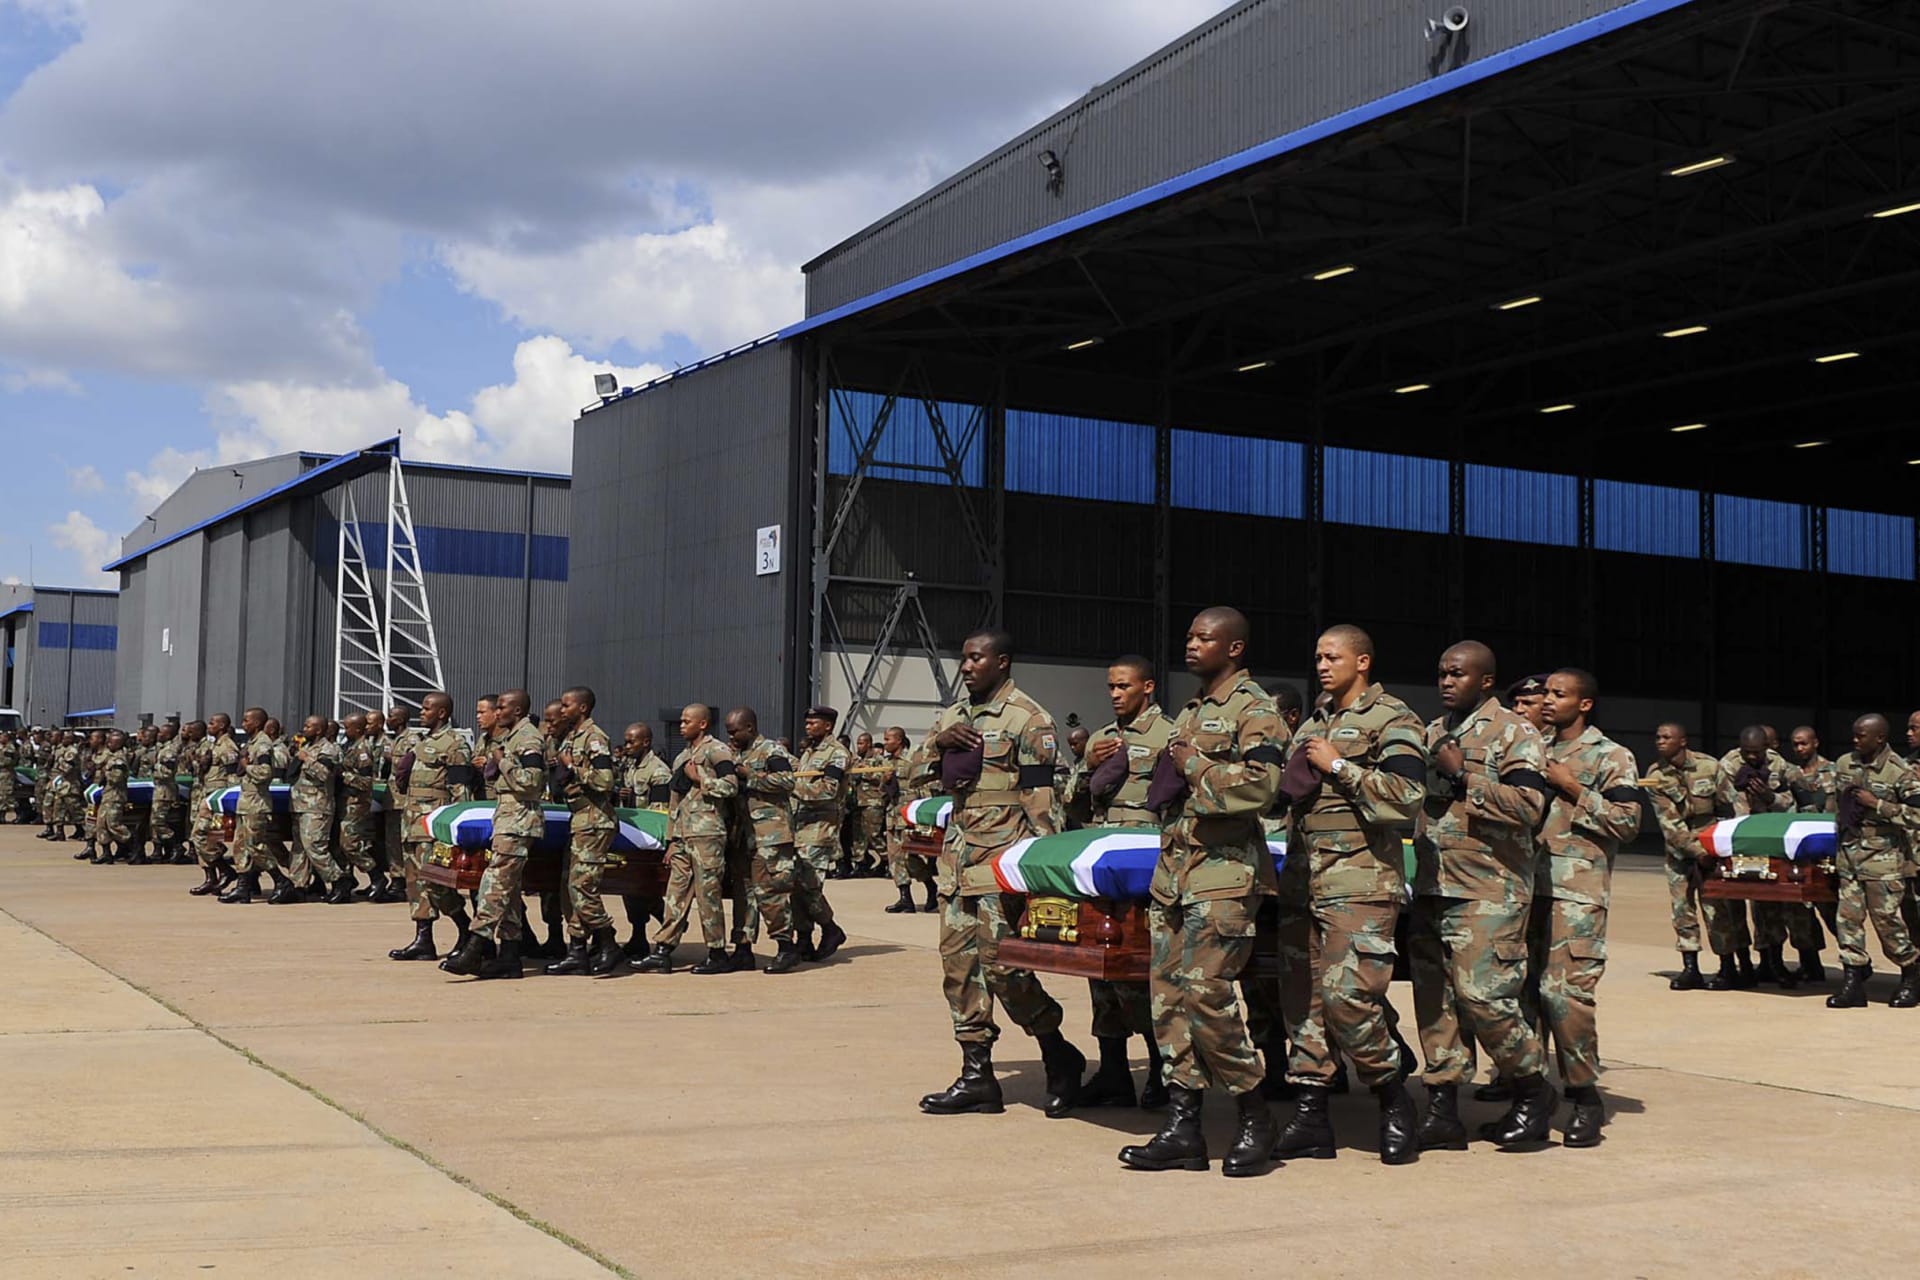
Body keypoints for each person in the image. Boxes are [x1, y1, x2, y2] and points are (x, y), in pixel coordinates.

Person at [1118, 616, 1284, 1177]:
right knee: (1167, 1000)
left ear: (1234, 647)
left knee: (1207, 995)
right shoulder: (1189, 711)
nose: (1190, 645)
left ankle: (1254, 1114)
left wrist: (1192, 762)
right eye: (1187, 637)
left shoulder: (1255, 710)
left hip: (1224, 873)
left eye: (1203, 638)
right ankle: (1184, 1128)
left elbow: (1262, 788)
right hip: (1175, 873)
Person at [914, 628, 1086, 1120]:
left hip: (1001, 863)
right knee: (958, 969)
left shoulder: (1028, 719)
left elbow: (1042, 803)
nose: (966, 666)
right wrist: (936, 744)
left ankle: (1058, 1053)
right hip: (957, 861)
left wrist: (1038, 873)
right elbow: (911, 774)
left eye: (975, 658)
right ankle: (977, 1076)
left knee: (1005, 969)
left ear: (1002, 662)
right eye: (963, 658)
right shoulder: (954, 716)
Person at [1274, 624, 1426, 1166]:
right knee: (1304, 1004)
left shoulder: (1394, 720)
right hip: (1302, 882)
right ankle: (1312, 1114)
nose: (1321, 664)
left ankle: (1393, 1099)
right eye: (1316, 655)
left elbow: (1406, 798)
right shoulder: (1312, 723)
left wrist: (1338, 765)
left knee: (1350, 999)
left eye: (1332, 656)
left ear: (1362, 662)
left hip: (1359, 882)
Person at [1408, 641, 1555, 1152]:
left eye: (1458, 674)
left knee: (1486, 999)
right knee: (1436, 1004)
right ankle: (1443, 1109)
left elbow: (1530, 807)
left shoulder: (1515, 733)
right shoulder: (1432, 732)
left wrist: (1462, 774)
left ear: (1486, 681)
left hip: (1488, 890)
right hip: (1433, 886)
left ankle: (1533, 1093)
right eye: (1442, 673)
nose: (1447, 682)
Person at [1534, 669, 1642, 1147]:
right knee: (1519, 999)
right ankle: (1532, 1098)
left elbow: (1628, 822)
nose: (1548, 701)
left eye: (1560, 694)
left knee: (1565, 996)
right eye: (1546, 693)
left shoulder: (1612, 756)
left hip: (1575, 893)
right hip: (1522, 889)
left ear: (1584, 704)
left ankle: (1584, 1097)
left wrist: (1574, 787)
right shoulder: (1531, 747)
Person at [1078, 655, 1172, 1113]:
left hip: (1144, 861)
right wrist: (1085, 765)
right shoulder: (1100, 739)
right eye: (1110, 687)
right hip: (1101, 861)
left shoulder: (1169, 735)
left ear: (1148, 687)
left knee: (1140, 969)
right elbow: (1074, 803)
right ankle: (1113, 1071)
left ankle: (1160, 1069)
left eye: (1123, 687)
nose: (1115, 694)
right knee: (1100, 967)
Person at [721, 706, 842, 975]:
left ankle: (786, 947)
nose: (730, 736)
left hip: (770, 834)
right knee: (744, 895)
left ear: (750, 728)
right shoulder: (736, 753)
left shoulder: (771, 751)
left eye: (734, 731)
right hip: (744, 834)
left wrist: (749, 776)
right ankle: (742, 949)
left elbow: (787, 781)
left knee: (771, 893)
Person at [641, 703, 759, 974]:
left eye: (686, 721)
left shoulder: (717, 750)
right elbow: (675, 799)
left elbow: (730, 785)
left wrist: (701, 778)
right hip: (684, 834)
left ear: (702, 724)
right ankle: (663, 950)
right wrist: (672, 838)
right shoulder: (682, 756)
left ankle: (717, 953)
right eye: (681, 721)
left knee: (709, 895)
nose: (681, 726)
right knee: (676, 894)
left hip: (708, 833)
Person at [445, 690, 547, 980]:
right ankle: (510, 956)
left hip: (519, 821)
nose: (497, 710)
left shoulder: (528, 738)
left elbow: (532, 783)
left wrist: (502, 761)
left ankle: (476, 945)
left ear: (517, 711)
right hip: (506, 818)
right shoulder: (512, 736)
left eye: (502, 707)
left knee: (494, 883)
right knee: (510, 891)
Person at [1826, 714, 1920, 1009]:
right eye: (1854, 735)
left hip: (1884, 858)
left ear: (1880, 738)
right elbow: (1835, 809)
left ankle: (1911, 975)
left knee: (1888, 923)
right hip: (1849, 853)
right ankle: (1853, 983)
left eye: (1861, 736)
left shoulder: (1900, 771)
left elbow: (1917, 815)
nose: (1855, 740)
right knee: (1848, 921)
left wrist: (1876, 804)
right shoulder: (1843, 764)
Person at [1643, 722, 1739, 990]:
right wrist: (1696, 852)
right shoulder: (1654, 775)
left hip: (1712, 846)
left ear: (1682, 741)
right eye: (1658, 737)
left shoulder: (1710, 766)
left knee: (1716, 909)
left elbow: (1731, 803)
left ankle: (1727, 968)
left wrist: (1724, 843)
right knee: (1682, 910)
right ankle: (1690, 968)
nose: (1660, 741)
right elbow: (1669, 824)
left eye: (1666, 737)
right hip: (1680, 851)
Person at [1717, 726, 1812, 987]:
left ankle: (1774, 962)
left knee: (1769, 906)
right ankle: (1744, 964)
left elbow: (1798, 803)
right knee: (1734, 906)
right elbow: (1723, 802)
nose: (1751, 758)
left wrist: (1771, 798)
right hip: (1738, 841)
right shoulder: (1727, 765)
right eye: (1746, 753)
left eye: (1756, 753)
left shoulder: (1780, 766)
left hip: (1769, 840)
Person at [545, 686, 625, 977]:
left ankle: (609, 941)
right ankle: (577, 950)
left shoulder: (594, 738)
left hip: (595, 820)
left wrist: (573, 768)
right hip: (579, 818)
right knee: (571, 888)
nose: (561, 709)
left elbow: (605, 781)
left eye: (566, 705)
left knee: (582, 887)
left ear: (582, 708)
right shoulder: (569, 739)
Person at [387, 693, 473, 961]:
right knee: (415, 883)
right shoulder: (421, 742)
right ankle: (424, 939)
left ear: (442, 713)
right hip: (412, 822)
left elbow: (461, 791)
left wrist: (458, 831)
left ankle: (465, 928)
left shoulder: (454, 745)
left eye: (426, 708)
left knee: (436, 882)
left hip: (434, 824)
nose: (421, 712)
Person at [617, 722, 672, 961]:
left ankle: (668, 924)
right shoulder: (630, 766)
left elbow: (660, 812)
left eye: (632, 742)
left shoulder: (658, 772)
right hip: (632, 836)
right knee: (629, 889)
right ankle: (638, 937)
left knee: (646, 890)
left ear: (646, 742)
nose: (627, 746)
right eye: (626, 741)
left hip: (649, 840)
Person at [881, 725, 937, 913]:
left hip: (909, 816)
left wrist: (923, 816)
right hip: (893, 815)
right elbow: (883, 792)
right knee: (895, 858)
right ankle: (905, 898)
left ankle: (930, 887)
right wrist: (886, 781)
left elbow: (924, 787)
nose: (885, 742)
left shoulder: (912, 759)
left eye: (888, 739)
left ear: (898, 740)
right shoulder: (885, 762)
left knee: (911, 857)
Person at [338, 714, 389, 899]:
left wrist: (343, 775)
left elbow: (367, 782)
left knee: (350, 844)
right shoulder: (349, 747)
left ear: (357, 729)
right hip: (347, 802)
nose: (345, 731)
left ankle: (377, 876)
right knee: (346, 844)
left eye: (347, 728)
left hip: (357, 803)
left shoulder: (363, 750)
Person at [848, 732, 890, 877]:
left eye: (861, 743)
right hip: (858, 802)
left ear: (869, 744)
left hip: (873, 801)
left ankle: (888, 860)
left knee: (874, 834)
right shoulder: (856, 760)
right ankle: (860, 864)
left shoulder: (878, 760)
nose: (859, 746)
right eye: (858, 743)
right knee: (858, 836)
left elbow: (882, 778)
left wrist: (865, 771)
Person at [91, 729, 135, 864]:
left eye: (111, 742)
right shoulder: (111, 756)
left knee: (114, 825)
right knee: (101, 825)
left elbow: (117, 778)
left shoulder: (119, 759)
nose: (108, 743)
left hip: (116, 796)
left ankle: (135, 848)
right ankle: (106, 853)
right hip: (108, 795)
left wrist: (105, 772)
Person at [150, 721, 188, 864]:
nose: (158, 735)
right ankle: (167, 849)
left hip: (165, 792)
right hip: (159, 790)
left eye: (162, 733)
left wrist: (154, 769)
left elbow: (167, 773)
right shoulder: (162, 749)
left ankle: (177, 846)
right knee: (156, 822)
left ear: (169, 735)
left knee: (158, 822)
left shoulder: (169, 751)